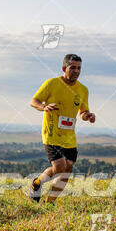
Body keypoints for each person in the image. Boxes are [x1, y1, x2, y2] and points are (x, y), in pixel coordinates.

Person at [29, 54, 95, 204]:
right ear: (64, 68)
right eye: (73, 67)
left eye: (79, 68)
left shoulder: (83, 90)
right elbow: (34, 101)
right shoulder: (52, 84)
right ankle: (37, 182)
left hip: (69, 136)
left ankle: (49, 202)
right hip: (52, 133)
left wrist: (88, 116)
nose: (76, 71)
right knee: (59, 166)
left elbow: (83, 112)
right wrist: (44, 107)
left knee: (67, 169)